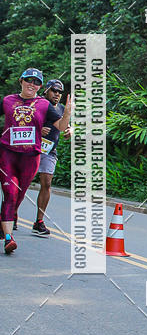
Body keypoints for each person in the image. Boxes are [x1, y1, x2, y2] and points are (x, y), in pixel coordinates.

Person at [0, 68, 71, 254]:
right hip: (8, 152)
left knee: (19, 194)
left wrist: (68, 115)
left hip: (32, 156)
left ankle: (9, 217)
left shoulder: (44, 105)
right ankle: (8, 237)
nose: (32, 84)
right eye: (29, 80)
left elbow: (62, 127)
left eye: (37, 82)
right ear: (21, 81)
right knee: (9, 192)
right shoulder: (8, 100)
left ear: (40, 86)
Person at [31, 79, 71, 237]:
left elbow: (66, 126)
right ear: (46, 90)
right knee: (22, 182)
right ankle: (11, 214)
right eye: (54, 90)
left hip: (49, 151)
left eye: (60, 92)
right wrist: (38, 129)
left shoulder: (61, 108)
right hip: (31, 148)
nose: (57, 94)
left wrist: (70, 131)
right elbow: (24, 123)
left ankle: (39, 221)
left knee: (46, 183)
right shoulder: (37, 104)